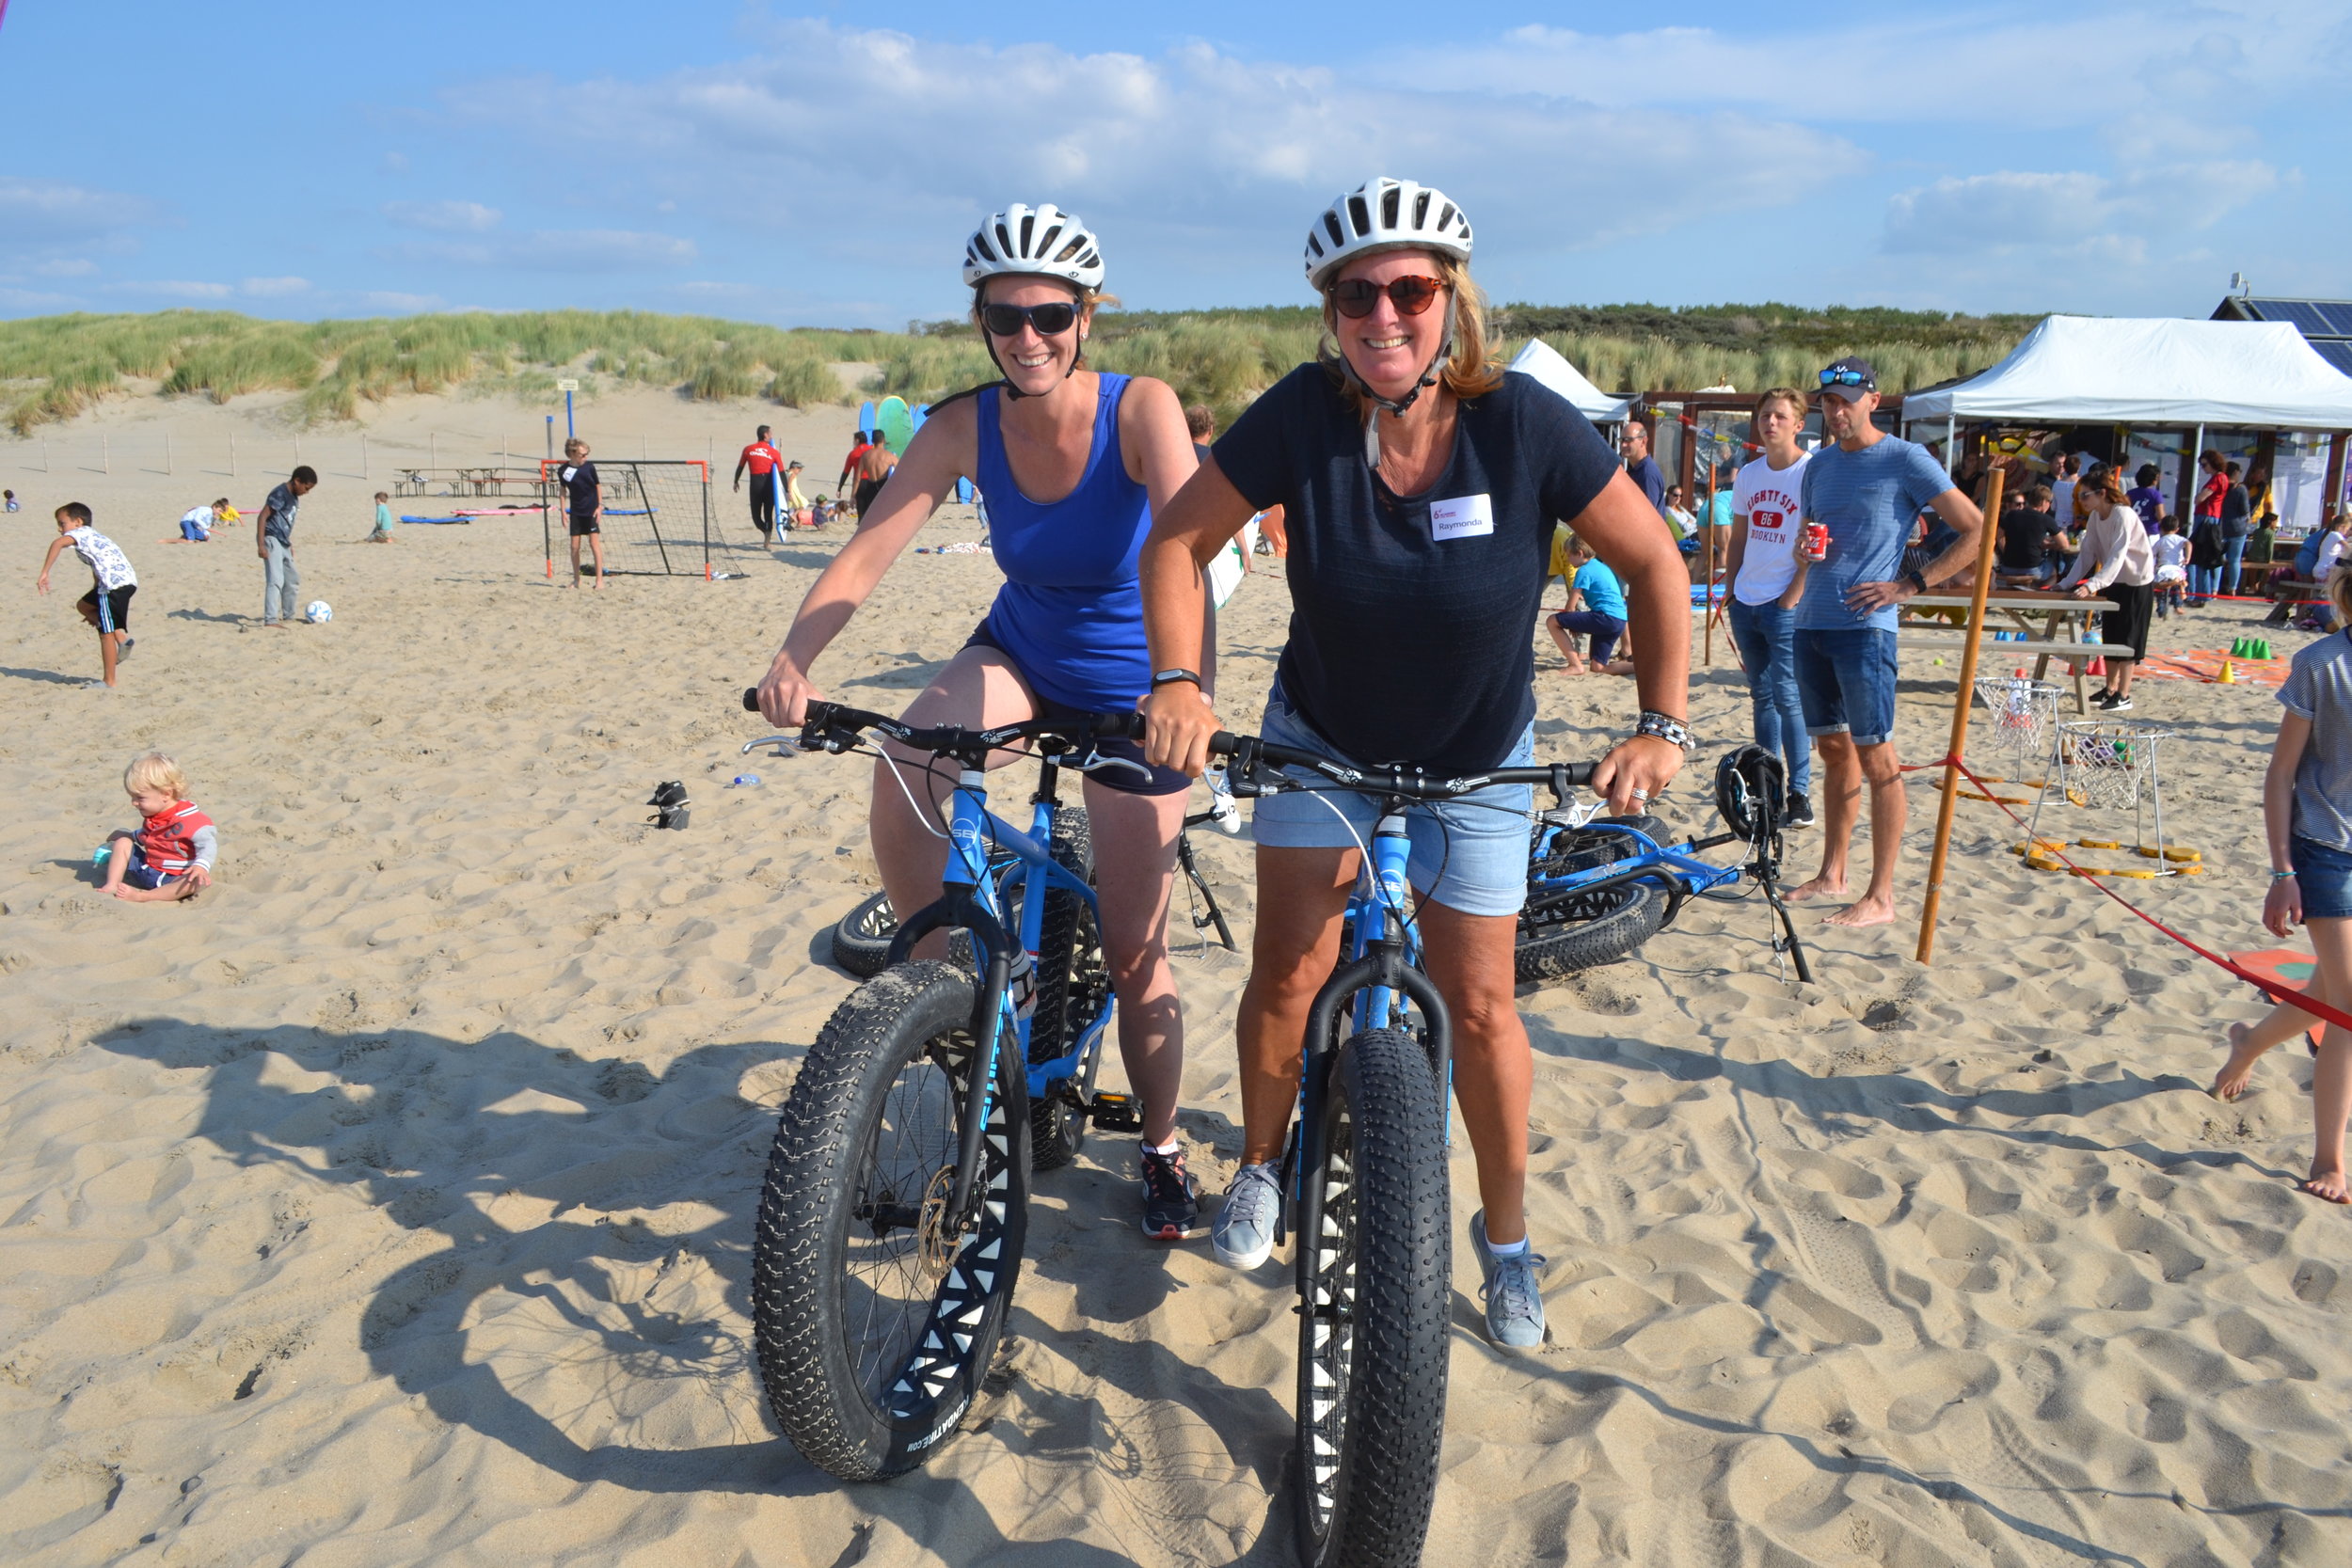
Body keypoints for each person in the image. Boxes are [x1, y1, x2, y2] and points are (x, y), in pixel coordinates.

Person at [1137, 175, 1690, 1348]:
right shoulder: (1301, 413)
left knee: (1483, 1006)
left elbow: (1655, 566)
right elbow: (1179, 541)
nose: (1382, 315)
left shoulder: (1523, 422)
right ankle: (1262, 1163)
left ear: (1452, 302)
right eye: (1355, 295)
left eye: (1409, 290)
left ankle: (1504, 1241)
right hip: (1322, 734)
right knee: (1288, 967)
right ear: (1328, 312)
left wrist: (1661, 721)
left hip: (1479, 752)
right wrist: (1179, 681)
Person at [754, 202, 1207, 1240]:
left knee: (1138, 951)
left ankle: (1164, 1146)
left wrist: (1188, 690)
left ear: (1086, 315)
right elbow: (870, 547)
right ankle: (937, 987)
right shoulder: (963, 424)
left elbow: (1189, 549)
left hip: (1140, 677)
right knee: (907, 757)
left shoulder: (1141, 409)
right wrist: (795, 656)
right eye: (1006, 316)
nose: (1029, 336)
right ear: (982, 320)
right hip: (1022, 651)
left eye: (1050, 313)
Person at [1785, 356, 1982, 928]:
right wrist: (1803, 553)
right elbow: (1812, 535)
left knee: (1878, 757)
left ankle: (1882, 895)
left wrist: (1910, 584)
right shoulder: (1818, 466)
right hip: (1813, 622)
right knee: (1833, 752)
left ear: (1874, 399)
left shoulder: (1905, 457)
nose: (1835, 410)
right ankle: (1833, 873)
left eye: (1846, 399)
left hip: (1867, 629)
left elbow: (1974, 528)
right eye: (1827, 401)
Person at [2212, 564, 2352, 1202]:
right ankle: (2330, 1159)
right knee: (2345, 1007)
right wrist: (2280, 871)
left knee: (2329, 991)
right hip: (2324, 851)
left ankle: (2248, 1043)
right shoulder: (2321, 663)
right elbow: (2280, 774)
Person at [1723, 386, 1815, 826]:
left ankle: (1799, 792)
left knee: (1788, 695)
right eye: (1764, 415)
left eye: (1779, 416)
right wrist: (1731, 585)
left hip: (1785, 601)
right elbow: (1740, 535)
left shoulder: (1809, 472)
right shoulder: (1749, 474)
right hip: (1748, 598)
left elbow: (1818, 542)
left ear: (1798, 424)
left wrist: (1794, 591)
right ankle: (1767, 783)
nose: (1770, 422)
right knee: (1762, 696)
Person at [2058, 465, 2155, 711]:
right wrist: (2066, 583)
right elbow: (2087, 554)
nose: (2081, 500)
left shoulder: (2122, 514)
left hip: (2135, 581)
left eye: (2085, 495)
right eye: (2079, 495)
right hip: (2113, 581)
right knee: (2111, 635)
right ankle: (2110, 688)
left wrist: (2093, 585)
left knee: (2129, 639)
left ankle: (2124, 694)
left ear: (2102, 493)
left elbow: (2117, 555)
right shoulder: (2094, 518)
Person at [36, 501, 136, 688]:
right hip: (124, 581)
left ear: (78, 522)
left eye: (62, 523)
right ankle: (122, 639)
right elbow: (98, 565)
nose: (60, 529)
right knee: (83, 606)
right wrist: (96, 591)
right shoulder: (94, 535)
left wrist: (45, 572)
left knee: (105, 633)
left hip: (113, 585)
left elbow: (57, 544)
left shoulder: (79, 533)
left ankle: (109, 681)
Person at [99, 752, 216, 903]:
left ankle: (143, 896)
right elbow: (151, 835)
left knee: (195, 883)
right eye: (132, 797)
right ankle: (112, 884)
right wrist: (130, 836)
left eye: (140, 798)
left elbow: (208, 844)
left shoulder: (191, 820)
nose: (134, 803)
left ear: (166, 794)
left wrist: (201, 866)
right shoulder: (155, 814)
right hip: (146, 869)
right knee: (122, 842)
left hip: (174, 878)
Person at [1548, 536, 1628, 674]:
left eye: (1569, 555)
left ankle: (1575, 665)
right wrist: (1573, 621)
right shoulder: (1602, 566)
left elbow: (1571, 605)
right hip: (1619, 620)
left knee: (1552, 621)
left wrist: (1572, 624)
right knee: (1598, 667)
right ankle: (1640, 669)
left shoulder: (1584, 571)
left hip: (1605, 617)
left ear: (1579, 553)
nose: (1567, 559)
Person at [255, 466, 315, 626]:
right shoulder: (280, 493)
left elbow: (285, 521)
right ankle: (271, 619)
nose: (306, 492)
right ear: (297, 481)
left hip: (284, 542)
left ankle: (289, 616)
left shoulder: (294, 496)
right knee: (275, 579)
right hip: (271, 539)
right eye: (306, 488)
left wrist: (288, 544)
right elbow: (262, 517)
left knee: (292, 579)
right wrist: (261, 545)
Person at [1994, 483, 2065, 588]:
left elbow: (1999, 535)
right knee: (2054, 572)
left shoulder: (2011, 515)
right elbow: (2064, 545)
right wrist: (2048, 546)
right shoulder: (2046, 519)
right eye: (2049, 502)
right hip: (2032, 569)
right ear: (2043, 502)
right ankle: (2040, 597)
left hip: (2008, 567)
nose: (2049, 506)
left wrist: (2006, 550)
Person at [557, 439, 604, 588]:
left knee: (594, 544)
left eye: (587, 454)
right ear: (572, 454)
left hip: (591, 511)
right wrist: (563, 511)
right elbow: (563, 491)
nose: (585, 458)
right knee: (574, 547)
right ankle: (577, 580)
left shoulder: (589, 467)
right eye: (582, 455)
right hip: (576, 511)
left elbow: (598, 486)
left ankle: (599, 581)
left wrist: (600, 506)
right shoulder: (563, 471)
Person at [734, 424, 784, 540]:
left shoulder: (748, 449)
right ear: (765, 435)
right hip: (769, 486)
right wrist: (786, 490)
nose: (772, 436)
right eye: (770, 434)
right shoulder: (774, 452)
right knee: (767, 515)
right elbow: (781, 473)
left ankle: (766, 534)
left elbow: (740, 467)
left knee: (756, 517)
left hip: (755, 485)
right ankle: (768, 532)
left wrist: (736, 481)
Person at [2219, 459, 2254, 598]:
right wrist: (2249, 520)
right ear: (2235, 472)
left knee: (2219, 559)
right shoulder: (2241, 488)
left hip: (2222, 526)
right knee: (2235, 560)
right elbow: (2245, 510)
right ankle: (2232, 588)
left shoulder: (2221, 486)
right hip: (2238, 528)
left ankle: (2215, 587)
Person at [1620, 420, 1666, 515]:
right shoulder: (1634, 469)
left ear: (1643, 441)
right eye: (1622, 440)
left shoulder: (1647, 474)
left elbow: (1647, 516)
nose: (1623, 445)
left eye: (1628, 440)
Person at [852, 436, 898, 520]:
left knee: (869, 517)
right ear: (884, 440)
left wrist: (853, 495)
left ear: (872, 441)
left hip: (870, 487)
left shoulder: (865, 455)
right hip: (884, 487)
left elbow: (857, 477)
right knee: (883, 516)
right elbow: (901, 471)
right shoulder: (890, 456)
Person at [2152, 515, 2188, 616]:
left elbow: (2152, 554)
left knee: (2161, 591)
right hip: (2177, 569)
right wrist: (2187, 557)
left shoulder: (2160, 541)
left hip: (2163, 569)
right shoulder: (2180, 539)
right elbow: (2188, 544)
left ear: (2161, 529)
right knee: (2177, 587)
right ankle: (2178, 606)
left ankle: (2161, 609)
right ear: (2177, 529)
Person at [2126, 463, 2167, 535]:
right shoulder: (2155, 494)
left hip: (2133, 531)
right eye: (2157, 478)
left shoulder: (2129, 494)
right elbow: (2160, 515)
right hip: (2150, 531)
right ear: (2152, 479)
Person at [836, 429, 875, 501]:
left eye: (854, 440)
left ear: (857, 440)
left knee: (861, 509)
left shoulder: (853, 454)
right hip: (872, 481)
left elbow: (846, 472)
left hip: (859, 483)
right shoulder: (873, 450)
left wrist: (839, 488)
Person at [783, 460, 811, 527]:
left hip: (788, 492)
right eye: (798, 468)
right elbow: (789, 483)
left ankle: (788, 523)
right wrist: (790, 492)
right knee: (804, 503)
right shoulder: (792, 474)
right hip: (793, 492)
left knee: (791, 507)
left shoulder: (786, 473)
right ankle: (794, 515)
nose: (800, 470)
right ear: (794, 468)